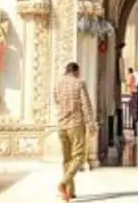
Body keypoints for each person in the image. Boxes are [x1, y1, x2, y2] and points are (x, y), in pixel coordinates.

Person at [53, 62, 95, 202]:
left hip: (62, 125)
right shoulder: (79, 83)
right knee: (78, 157)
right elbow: (86, 105)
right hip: (76, 125)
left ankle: (69, 193)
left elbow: (56, 101)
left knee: (67, 160)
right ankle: (63, 183)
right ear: (76, 71)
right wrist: (91, 123)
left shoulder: (58, 84)